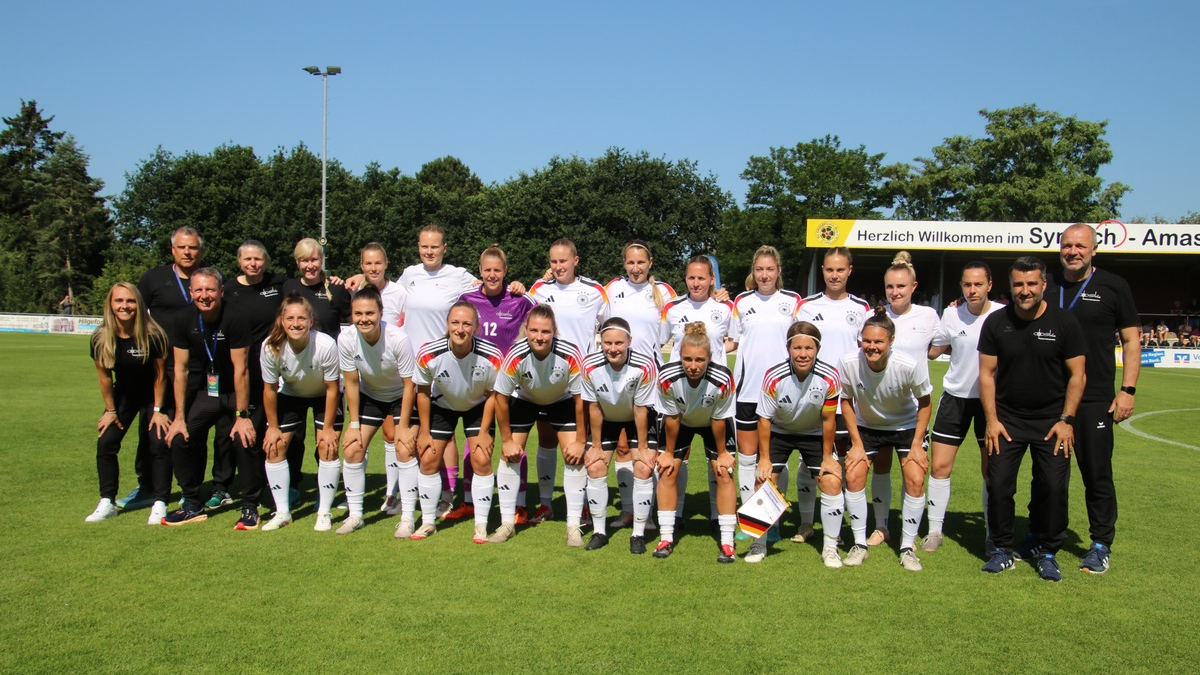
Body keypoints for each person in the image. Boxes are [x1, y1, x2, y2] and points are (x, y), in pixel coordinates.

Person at [978, 256, 1086, 582]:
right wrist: (992, 420)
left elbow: (1077, 375)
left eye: (1031, 284)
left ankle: (1048, 550)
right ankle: (1002, 549)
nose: (1024, 291)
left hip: (1051, 421)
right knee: (998, 486)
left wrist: (1066, 420)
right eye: (1018, 285)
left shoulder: (1064, 323)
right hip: (1007, 420)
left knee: (1053, 488)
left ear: (1043, 285)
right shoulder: (996, 323)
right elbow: (986, 374)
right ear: (1010, 286)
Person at [1050, 222, 1140, 573]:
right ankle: (1046, 536)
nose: (1072, 251)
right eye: (1067, 245)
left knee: (1096, 473)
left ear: (1093, 251)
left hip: (1095, 398)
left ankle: (1101, 542)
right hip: (1051, 397)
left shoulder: (1114, 286)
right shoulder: (1047, 283)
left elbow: (1131, 340)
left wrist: (1127, 390)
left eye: (1080, 246)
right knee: (1049, 474)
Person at [837, 307, 933, 571]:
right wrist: (856, 444)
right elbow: (845, 400)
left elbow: (925, 403)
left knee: (915, 477)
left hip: (906, 426)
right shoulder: (848, 362)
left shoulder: (909, 364)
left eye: (878, 341)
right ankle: (859, 544)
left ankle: (907, 547)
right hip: (868, 427)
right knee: (854, 474)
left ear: (891, 341)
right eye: (867, 341)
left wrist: (916, 445)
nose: (872, 347)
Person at [162, 268, 259, 527]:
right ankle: (192, 503)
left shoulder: (236, 316)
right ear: (191, 292)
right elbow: (180, 370)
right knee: (181, 436)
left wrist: (242, 416)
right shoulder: (183, 318)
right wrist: (179, 418)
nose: (205, 296)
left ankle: (250, 506)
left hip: (237, 392)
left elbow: (242, 369)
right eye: (199, 290)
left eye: (210, 290)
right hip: (210, 390)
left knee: (244, 438)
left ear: (221, 291)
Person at [922, 262, 1004, 553]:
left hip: (990, 402)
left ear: (989, 285)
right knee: (940, 466)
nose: (972, 290)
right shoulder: (951, 314)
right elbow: (933, 350)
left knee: (991, 470)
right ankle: (934, 531)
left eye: (978, 284)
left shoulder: (1002, 315)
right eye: (967, 285)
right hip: (954, 399)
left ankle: (991, 532)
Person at [121, 226, 204, 509]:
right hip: (157, 369)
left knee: (191, 431)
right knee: (152, 430)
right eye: (182, 247)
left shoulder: (207, 280)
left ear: (200, 251)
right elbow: (130, 312)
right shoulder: (154, 278)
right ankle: (148, 487)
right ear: (173, 250)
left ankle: (188, 489)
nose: (187, 252)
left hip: (196, 368)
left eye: (192, 247)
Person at [489, 305, 586, 544]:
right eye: (533, 330)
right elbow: (500, 398)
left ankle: (573, 526)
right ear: (526, 329)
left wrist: (582, 441)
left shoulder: (570, 354)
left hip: (561, 401)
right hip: (525, 400)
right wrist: (508, 440)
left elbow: (581, 400)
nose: (539, 337)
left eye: (545, 331)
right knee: (509, 455)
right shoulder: (515, 354)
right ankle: (507, 524)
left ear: (554, 331)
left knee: (573, 455)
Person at [527, 238, 608, 524]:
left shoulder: (595, 291)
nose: (558, 266)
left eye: (563, 261)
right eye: (553, 261)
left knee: (579, 443)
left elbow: (609, 327)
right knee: (546, 439)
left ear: (576, 260)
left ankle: (583, 504)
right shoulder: (539, 289)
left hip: (580, 381)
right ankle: (546, 503)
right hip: (546, 379)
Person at [454, 245, 536, 523]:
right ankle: (469, 501)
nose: (492, 274)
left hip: (510, 384)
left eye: (497, 270)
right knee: (475, 441)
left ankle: (519, 504)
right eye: (487, 269)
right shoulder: (467, 298)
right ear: (480, 271)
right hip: (479, 384)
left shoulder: (519, 299)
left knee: (512, 443)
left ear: (506, 272)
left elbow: (539, 321)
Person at [867, 251, 941, 548]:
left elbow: (937, 349)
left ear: (913, 286)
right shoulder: (876, 317)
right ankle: (881, 526)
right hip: (879, 408)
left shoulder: (929, 316)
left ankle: (909, 539)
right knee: (881, 467)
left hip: (913, 412)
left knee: (914, 474)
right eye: (889, 287)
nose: (894, 292)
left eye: (900, 287)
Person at [752, 322, 842, 566]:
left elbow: (828, 419)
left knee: (832, 481)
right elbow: (764, 419)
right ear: (788, 348)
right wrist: (764, 458)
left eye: (809, 348)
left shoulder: (830, 377)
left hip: (813, 433)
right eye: (797, 348)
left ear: (818, 349)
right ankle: (758, 544)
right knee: (763, 479)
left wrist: (827, 457)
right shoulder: (774, 376)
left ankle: (831, 548)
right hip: (780, 431)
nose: (803, 354)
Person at [796, 247, 871, 541]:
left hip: (845, 400)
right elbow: (797, 350)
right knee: (807, 461)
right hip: (812, 398)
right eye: (829, 270)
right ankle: (805, 523)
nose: (834, 275)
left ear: (849, 270)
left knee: (838, 463)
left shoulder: (861, 308)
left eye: (840, 270)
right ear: (822, 271)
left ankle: (836, 528)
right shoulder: (806, 306)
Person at [660, 255, 738, 532]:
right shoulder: (671, 308)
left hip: (714, 393)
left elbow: (734, 341)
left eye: (702, 277)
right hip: (680, 392)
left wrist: (712, 357)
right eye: (691, 277)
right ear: (686, 279)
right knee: (677, 458)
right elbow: (660, 343)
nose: (696, 282)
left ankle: (718, 517)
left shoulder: (726, 307)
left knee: (716, 458)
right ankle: (676, 513)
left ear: (712, 279)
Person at [729, 245, 801, 547]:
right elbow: (730, 342)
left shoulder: (794, 302)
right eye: (759, 269)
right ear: (753, 271)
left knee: (774, 462)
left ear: (778, 271)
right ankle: (750, 521)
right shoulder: (741, 301)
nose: (764, 275)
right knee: (747, 460)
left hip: (780, 393)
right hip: (747, 391)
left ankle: (772, 522)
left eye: (770, 269)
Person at [601, 240, 676, 530]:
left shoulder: (664, 292)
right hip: (617, 376)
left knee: (648, 449)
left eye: (641, 262)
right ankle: (628, 512)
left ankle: (649, 514)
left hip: (651, 378)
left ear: (650, 262)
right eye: (630, 263)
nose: (635, 268)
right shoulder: (611, 289)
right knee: (622, 446)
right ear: (624, 264)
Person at [413, 302, 502, 542]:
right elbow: (422, 392)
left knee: (482, 459)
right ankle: (428, 521)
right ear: (447, 324)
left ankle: (481, 524)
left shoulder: (492, 354)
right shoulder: (429, 353)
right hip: (443, 406)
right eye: (455, 322)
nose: (460, 329)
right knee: (429, 458)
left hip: (477, 406)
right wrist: (423, 431)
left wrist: (484, 431)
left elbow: (495, 395)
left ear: (476, 327)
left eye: (466, 323)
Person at [653, 322, 739, 563]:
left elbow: (719, 419)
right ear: (679, 356)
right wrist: (668, 453)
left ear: (710, 358)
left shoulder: (722, 377)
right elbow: (672, 418)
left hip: (714, 422)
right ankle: (666, 537)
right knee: (667, 470)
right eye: (687, 359)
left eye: (700, 360)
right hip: (680, 421)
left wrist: (722, 454)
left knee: (724, 472)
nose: (693, 366)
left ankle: (727, 542)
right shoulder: (668, 376)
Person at [86, 283, 172, 524]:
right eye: (119, 301)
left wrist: (158, 410)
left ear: (139, 304)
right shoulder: (100, 337)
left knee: (158, 442)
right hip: (123, 396)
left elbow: (160, 376)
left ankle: (160, 502)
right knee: (106, 442)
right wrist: (111, 410)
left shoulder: (154, 335)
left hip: (154, 396)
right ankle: (107, 501)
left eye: (130, 301)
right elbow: (104, 377)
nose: (125, 306)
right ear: (110, 305)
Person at [336, 285, 417, 535]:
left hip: (401, 396)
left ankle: (407, 517)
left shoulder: (398, 339)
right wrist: (353, 425)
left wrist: (402, 426)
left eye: (370, 313)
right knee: (352, 448)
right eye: (358, 314)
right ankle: (355, 515)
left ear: (381, 313)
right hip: (370, 396)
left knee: (404, 448)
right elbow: (351, 382)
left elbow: (409, 384)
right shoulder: (346, 338)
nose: (364, 319)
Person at [259, 293, 341, 531]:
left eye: (302, 318)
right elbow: (270, 389)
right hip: (291, 395)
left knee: (327, 445)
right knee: (274, 447)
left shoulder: (325, 344)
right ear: (281, 320)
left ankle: (324, 511)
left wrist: (327, 429)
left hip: (324, 396)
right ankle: (283, 512)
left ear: (311, 321)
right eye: (290, 318)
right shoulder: (270, 347)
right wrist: (272, 427)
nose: (296, 324)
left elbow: (333, 389)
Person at [580, 317, 659, 552]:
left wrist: (643, 448)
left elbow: (641, 408)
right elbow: (593, 407)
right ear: (600, 342)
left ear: (629, 341)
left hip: (637, 416)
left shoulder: (645, 365)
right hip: (606, 417)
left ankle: (638, 534)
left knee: (644, 467)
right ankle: (599, 532)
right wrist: (594, 445)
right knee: (595, 466)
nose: (613, 349)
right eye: (607, 343)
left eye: (618, 343)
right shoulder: (589, 365)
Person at [224, 241, 290, 507]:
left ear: (266, 261)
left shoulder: (279, 284)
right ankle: (226, 485)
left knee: (277, 427)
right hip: (241, 370)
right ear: (239, 261)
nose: (253, 263)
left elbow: (308, 286)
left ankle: (280, 483)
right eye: (248, 259)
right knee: (234, 430)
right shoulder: (227, 290)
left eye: (258, 259)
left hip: (275, 368)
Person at [359, 242, 409, 516]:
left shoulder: (400, 293)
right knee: (356, 439)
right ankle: (355, 493)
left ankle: (393, 494)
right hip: (365, 377)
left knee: (392, 435)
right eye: (368, 263)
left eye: (378, 263)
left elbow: (405, 327)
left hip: (393, 377)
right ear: (361, 266)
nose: (373, 268)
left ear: (386, 264)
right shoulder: (354, 290)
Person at [282, 238, 352, 339]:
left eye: (314, 260)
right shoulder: (288, 287)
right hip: (297, 352)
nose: (310, 266)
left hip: (328, 353)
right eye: (305, 260)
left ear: (321, 260)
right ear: (297, 262)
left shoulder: (336, 289)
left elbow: (354, 325)